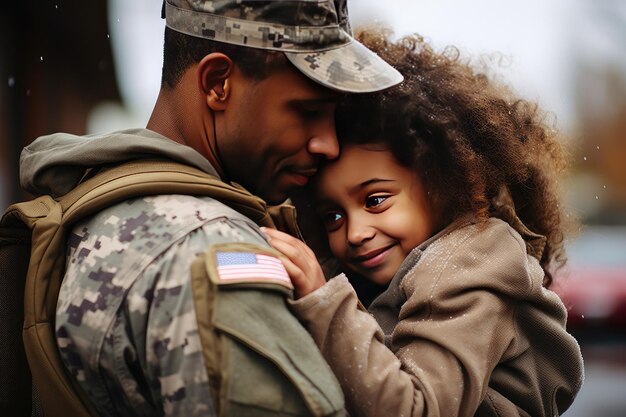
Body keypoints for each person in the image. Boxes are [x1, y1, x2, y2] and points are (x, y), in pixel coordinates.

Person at [17, 2, 403, 416]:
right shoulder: (211, 251)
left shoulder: (98, 199)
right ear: (218, 82)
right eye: (308, 112)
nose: (328, 144)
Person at [263, 30, 584, 417]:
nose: (355, 232)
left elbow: (418, 409)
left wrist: (323, 302)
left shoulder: (469, 260)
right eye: (332, 216)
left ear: (439, 183)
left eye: (376, 200)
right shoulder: (382, 271)